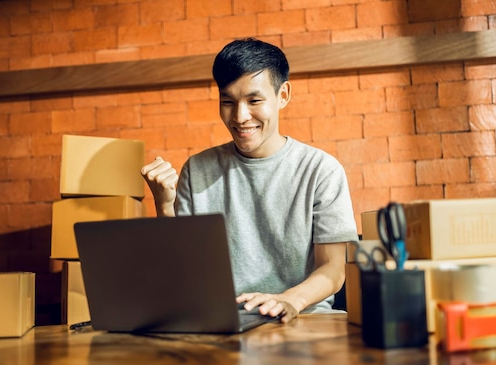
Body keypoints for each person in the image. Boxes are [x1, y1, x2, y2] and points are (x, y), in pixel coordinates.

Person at [141, 38, 358, 323]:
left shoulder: (321, 170)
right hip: (222, 324)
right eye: (228, 102)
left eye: (254, 101)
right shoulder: (197, 170)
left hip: (304, 320)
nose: (241, 117)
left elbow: (333, 269)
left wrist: (289, 300)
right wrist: (165, 205)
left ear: (283, 95)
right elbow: (181, 274)